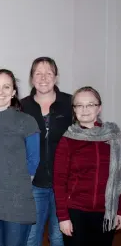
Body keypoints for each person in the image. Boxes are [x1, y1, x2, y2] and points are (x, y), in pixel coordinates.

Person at [53, 86, 121, 246]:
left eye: (90, 104)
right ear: (74, 109)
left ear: (99, 108)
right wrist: (63, 217)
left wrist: (119, 211)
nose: (85, 109)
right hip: (77, 212)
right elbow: (59, 181)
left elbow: (119, 177)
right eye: (79, 105)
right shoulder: (68, 139)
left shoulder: (113, 137)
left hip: (106, 213)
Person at [0, 69, 40, 246]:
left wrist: (17, 186)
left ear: (14, 92)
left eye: (6, 87)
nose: (0, 91)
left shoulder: (27, 121)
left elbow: (33, 159)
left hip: (17, 201)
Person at [21, 57, 72, 246]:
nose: (43, 78)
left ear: (56, 77)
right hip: (34, 183)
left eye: (48, 73)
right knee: (31, 237)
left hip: (64, 184)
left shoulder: (70, 104)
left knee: (58, 237)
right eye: (38, 73)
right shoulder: (22, 107)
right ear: (31, 79)